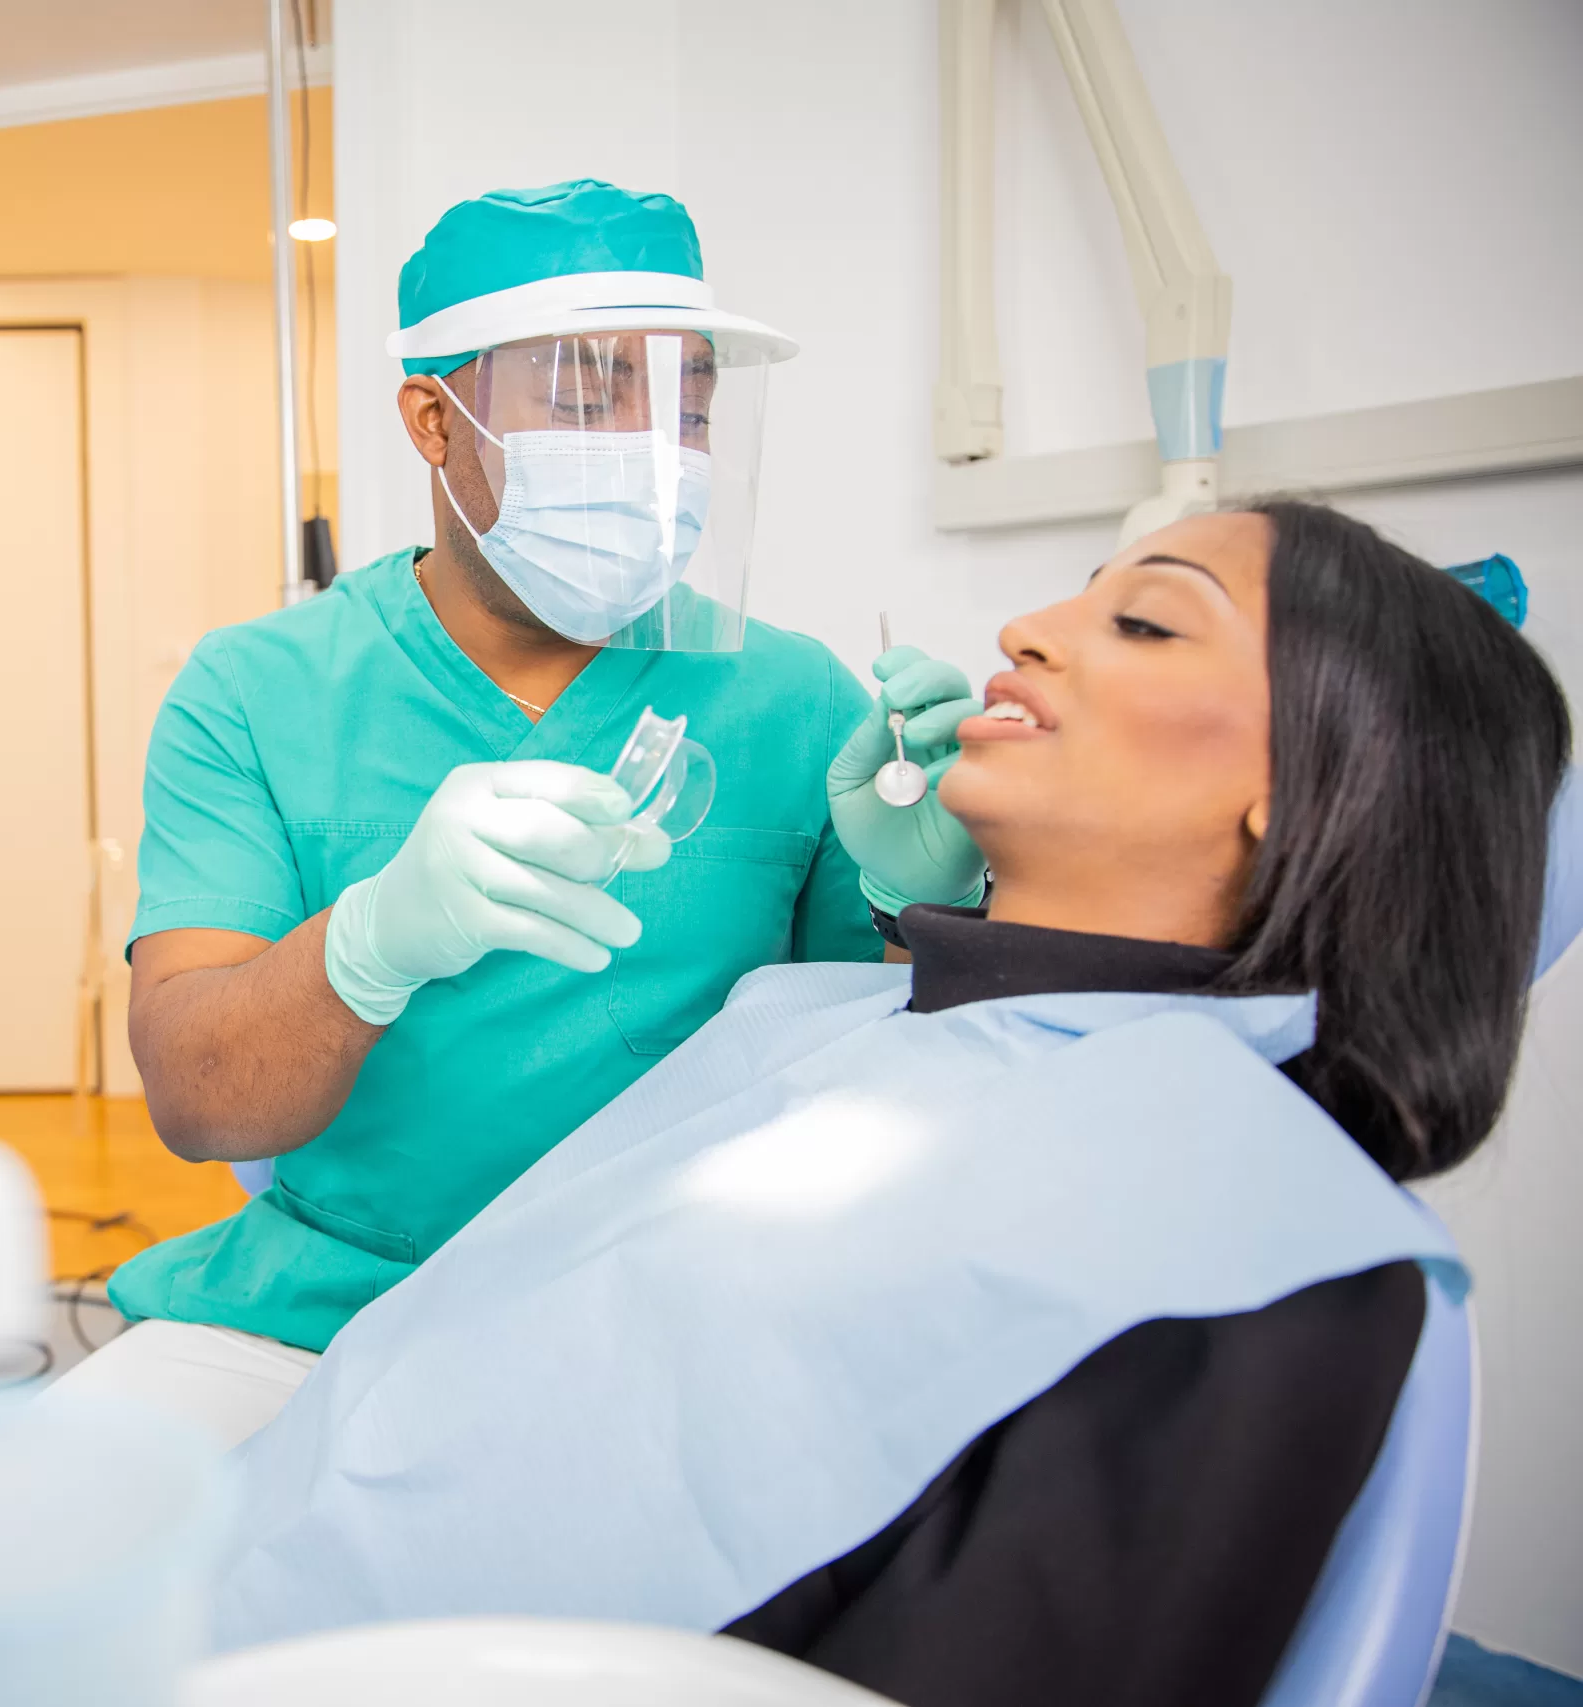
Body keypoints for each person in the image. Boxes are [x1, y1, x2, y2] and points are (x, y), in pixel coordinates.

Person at [212, 500, 1570, 1707]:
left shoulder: (1252, 1248)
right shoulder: (850, 1016)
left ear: (1312, 790)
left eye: (1147, 620)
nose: (1026, 629)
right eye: (1079, 590)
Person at [65, 181, 900, 1431]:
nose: (651, 456)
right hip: (335, 1308)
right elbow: (197, 1102)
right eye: (584, 395)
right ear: (433, 420)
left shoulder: (795, 698)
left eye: (686, 407)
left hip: (680, 1303)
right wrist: (365, 948)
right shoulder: (257, 691)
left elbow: (881, 1069)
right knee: (38, 1554)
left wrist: (932, 897)